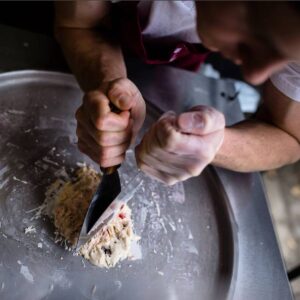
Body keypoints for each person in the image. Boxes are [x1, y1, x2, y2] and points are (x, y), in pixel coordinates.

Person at [54, 1, 300, 185]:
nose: (255, 75)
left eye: (286, 59)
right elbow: (81, 25)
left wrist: (214, 143)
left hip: (171, 68)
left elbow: (290, 135)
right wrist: (106, 79)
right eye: (259, 35)